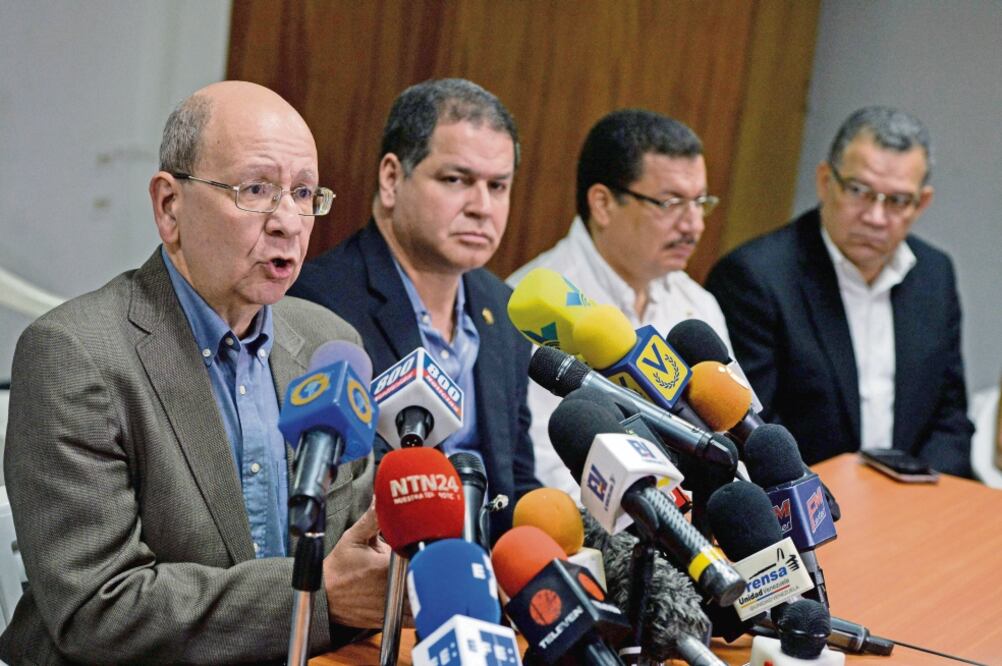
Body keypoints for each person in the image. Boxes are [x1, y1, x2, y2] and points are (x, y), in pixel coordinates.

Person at [0, 81, 390, 664]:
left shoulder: (330, 344)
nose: (289, 221)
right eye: (257, 189)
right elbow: (99, 610)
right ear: (169, 205)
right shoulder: (74, 355)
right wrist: (316, 596)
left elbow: (349, 553)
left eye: (305, 193)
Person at [289, 79, 538, 542]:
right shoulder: (316, 304)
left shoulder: (504, 310)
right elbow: (334, 492)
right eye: (456, 180)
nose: (482, 207)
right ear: (391, 178)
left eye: (498, 186)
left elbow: (516, 483)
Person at [706, 106, 973, 476]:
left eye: (897, 201)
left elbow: (950, 418)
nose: (876, 218)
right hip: (807, 506)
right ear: (825, 180)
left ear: (921, 203)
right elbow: (752, 429)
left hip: (913, 506)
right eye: (860, 191)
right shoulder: (755, 277)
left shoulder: (935, 274)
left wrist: (918, 498)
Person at [508, 109, 733, 497]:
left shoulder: (698, 304)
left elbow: (731, 432)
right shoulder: (533, 311)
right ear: (603, 204)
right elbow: (543, 466)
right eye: (671, 203)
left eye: (700, 203)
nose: (694, 224)